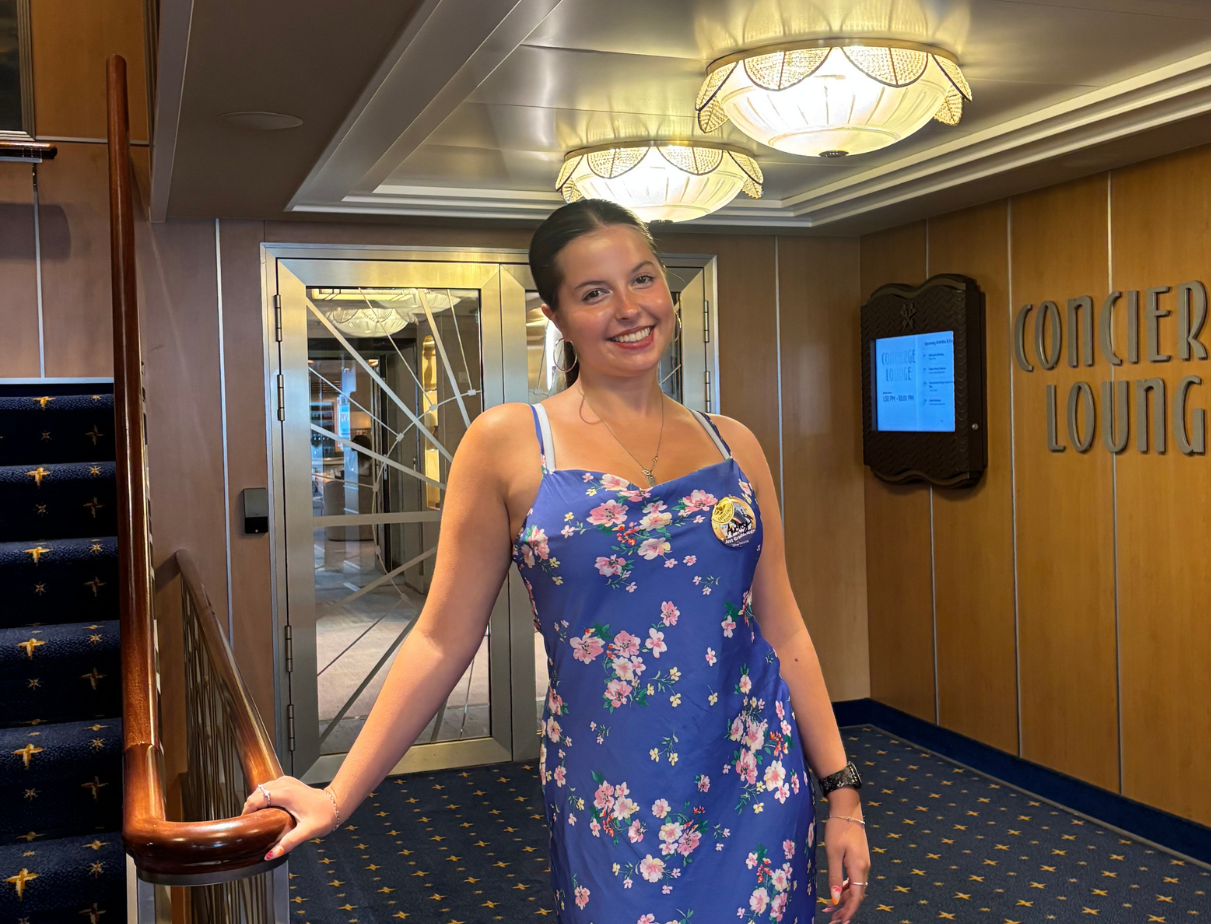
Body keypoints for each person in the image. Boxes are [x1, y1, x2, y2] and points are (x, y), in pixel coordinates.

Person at [245, 198, 872, 923]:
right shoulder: (509, 443)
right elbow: (442, 638)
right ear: (555, 315)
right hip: (613, 793)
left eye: (643, 280)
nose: (630, 309)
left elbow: (782, 626)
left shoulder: (736, 445)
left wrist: (843, 790)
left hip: (755, 777)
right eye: (595, 293)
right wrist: (337, 792)